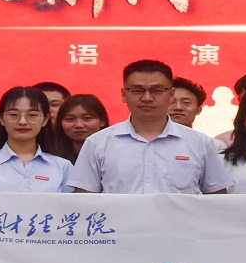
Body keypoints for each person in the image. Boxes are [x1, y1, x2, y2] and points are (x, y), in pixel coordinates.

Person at [70, 60, 230, 194]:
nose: (147, 98)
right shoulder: (97, 143)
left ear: (171, 94)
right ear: (124, 94)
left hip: (180, 224)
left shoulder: (200, 143)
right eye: (137, 90)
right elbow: (84, 200)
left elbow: (217, 198)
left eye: (157, 90)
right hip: (119, 224)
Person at [0, 87, 75, 192]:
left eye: (32, 115)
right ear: (1, 118)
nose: (22, 122)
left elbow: (72, 207)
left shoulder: (63, 167)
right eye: (13, 115)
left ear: (45, 119)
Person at [50, 94, 110, 162]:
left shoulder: (114, 153)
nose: (79, 125)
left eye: (87, 118)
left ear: (102, 121)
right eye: (70, 119)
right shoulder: (51, 157)